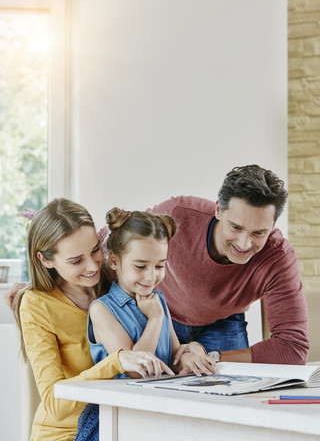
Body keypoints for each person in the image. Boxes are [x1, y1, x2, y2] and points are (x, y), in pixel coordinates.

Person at [12, 198, 174, 441]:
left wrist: (190, 349)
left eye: (96, 249)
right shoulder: (37, 304)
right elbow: (54, 404)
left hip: (123, 424)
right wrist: (118, 361)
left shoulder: (118, 279)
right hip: (67, 433)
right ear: (46, 260)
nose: (93, 266)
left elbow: (161, 335)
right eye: (76, 260)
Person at [74, 207, 215, 441]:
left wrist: (187, 356)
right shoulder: (102, 310)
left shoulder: (157, 300)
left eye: (159, 266)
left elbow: (173, 353)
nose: (151, 277)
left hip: (157, 409)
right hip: (118, 417)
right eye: (140, 266)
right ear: (114, 261)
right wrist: (155, 319)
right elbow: (135, 368)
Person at [149, 164, 309, 365]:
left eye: (258, 233)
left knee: (225, 390)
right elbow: (117, 238)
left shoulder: (278, 258)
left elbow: (293, 348)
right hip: (161, 314)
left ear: (273, 225)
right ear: (218, 210)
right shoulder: (176, 214)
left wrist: (211, 357)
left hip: (223, 322)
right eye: (236, 227)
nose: (244, 244)